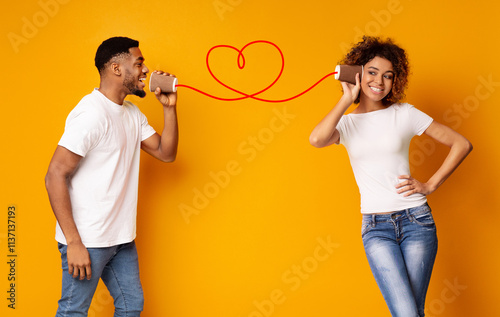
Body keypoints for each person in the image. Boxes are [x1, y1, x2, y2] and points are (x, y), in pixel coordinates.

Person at [309, 36, 472, 317]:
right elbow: (316, 139)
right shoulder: (346, 123)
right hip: (376, 228)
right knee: (409, 313)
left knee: (411, 313)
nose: (379, 82)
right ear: (359, 72)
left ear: (395, 81)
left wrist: (430, 184)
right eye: (372, 72)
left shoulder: (404, 114)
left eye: (388, 76)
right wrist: (346, 98)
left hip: (416, 221)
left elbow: (462, 143)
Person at [45, 36, 179, 316]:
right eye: (139, 63)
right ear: (117, 69)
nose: (145, 70)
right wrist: (74, 243)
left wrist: (169, 108)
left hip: (121, 239)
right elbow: (55, 174)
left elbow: (166, 153)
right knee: (73, 311)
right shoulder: (91, 114)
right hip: (88, 239)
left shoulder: (131, 113)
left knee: (131, 306)